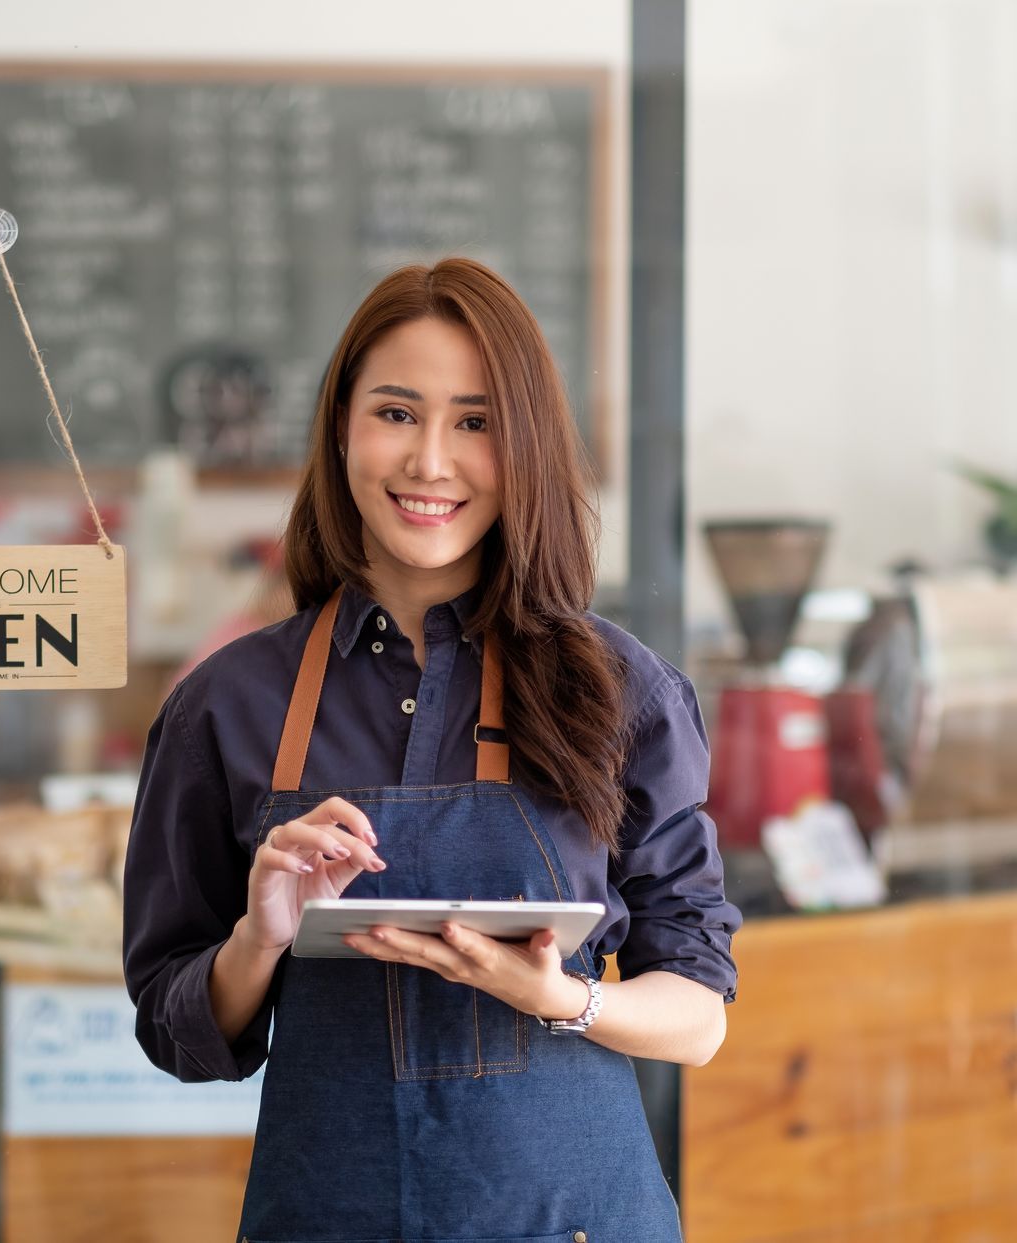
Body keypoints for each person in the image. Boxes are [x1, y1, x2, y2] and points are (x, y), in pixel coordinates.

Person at [122, 257, 741, 1242]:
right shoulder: (226, 706)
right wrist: (262, 933)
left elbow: (698, 1014)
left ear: (524, 444)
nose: (431, 463)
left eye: (477, 422)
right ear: (339, 428)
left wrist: (561, 997)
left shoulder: (623, 692)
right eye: (398, 413)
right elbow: (176, 1028)